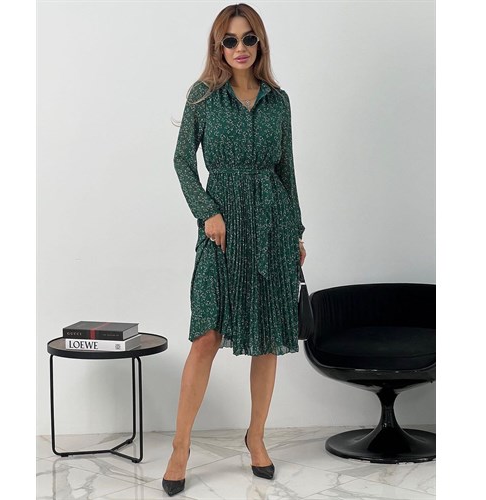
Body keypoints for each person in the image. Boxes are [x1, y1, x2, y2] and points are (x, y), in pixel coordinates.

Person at [163, 3, 306, 496]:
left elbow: (287, 169)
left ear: (259, 43)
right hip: (221, 228)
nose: (240, 48)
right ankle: (180, 446)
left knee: (266, 339)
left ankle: (256, 437)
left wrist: (296, 232)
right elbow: (183, 161)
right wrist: (207, 211)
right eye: (230, 40)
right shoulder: (203, 97)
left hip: (272, 226)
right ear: (218, 46)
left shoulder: (278, 101)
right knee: (206, 335)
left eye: (248, 38)